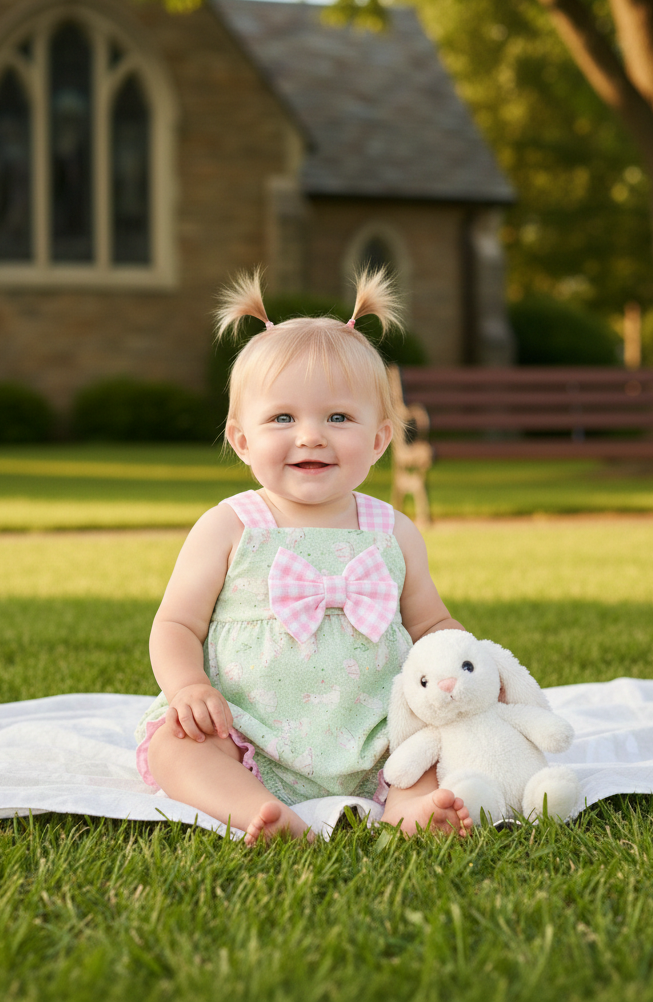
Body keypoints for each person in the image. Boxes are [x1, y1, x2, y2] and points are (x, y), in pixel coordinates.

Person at [135, 269, 472, 843]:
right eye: (282, 418)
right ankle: (257, 808)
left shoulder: (393, 530)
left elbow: (432, 624)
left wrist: (469, 663)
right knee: (177, 745)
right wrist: (189, 687)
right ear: (242, 440)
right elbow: (175, 624)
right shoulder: (230, 526)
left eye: (338, 418)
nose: (311, 435)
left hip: (376, 732)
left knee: (437, 740)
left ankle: (411, 810)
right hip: (248, 728)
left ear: (379, 440)